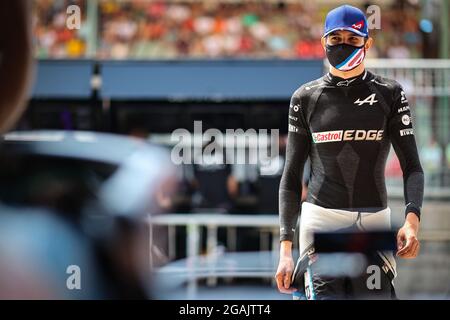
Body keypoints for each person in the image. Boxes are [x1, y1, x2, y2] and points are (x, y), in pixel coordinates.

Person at [275, 5, 424, 299]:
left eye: (353, 39)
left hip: (373, 221)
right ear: (323, 42)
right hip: (320, 224)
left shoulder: (390, 93)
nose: (343, 45)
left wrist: (411, 221)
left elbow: (413, 167)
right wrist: (285, 250)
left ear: (367, 43)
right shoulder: (304, 98)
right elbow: (292, 176)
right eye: (335, 38)